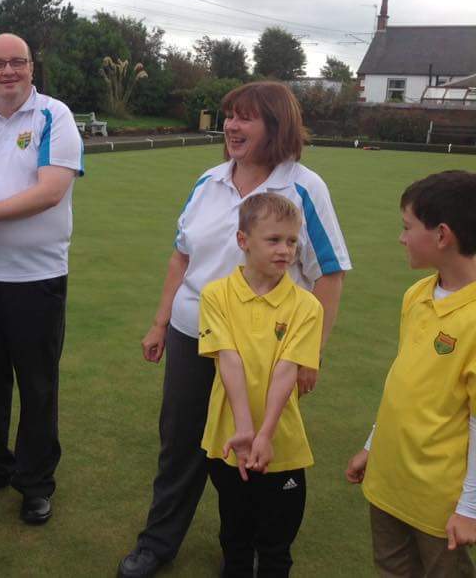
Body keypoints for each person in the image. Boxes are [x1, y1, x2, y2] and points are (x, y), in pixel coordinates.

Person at [118, 81, 351, 577]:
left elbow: (329, 274)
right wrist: (160, 323)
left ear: (276, 126)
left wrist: (310, 354)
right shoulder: (208, 181)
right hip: (192, 335)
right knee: (180, 444)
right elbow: (182, 257)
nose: (231, 126)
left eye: (245, 117)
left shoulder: (304, 187)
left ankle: (243, 549)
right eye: (229, 116)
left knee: (252, 446)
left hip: (265, 350)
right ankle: (157, 543)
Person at [0, 32, 82, 525]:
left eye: (17, 62)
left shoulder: (54, 116)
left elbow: (50, 192)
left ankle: (35, 482)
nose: (8, 71)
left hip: (37, 278)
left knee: (38, 387)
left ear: (31, 68)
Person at [346, 170, 476, 577]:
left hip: (439, 503)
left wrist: (470, 508)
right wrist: (373, 445)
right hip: (388, 481)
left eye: (407, 227)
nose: (401, 238)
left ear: (442, 235)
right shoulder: (416, 295)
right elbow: (403, 383)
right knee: (391, 568)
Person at [200, 192, 322, 577]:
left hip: (281, 443)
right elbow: (229, 360)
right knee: (234, 539)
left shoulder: (307, 306)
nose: (285, 250)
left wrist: (264, 434)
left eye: (291, 240)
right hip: (228, 439)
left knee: (275, 548)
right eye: (273, 240)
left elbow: (286, 371)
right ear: (243, 240)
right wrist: (244, 430)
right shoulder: (216, 295)